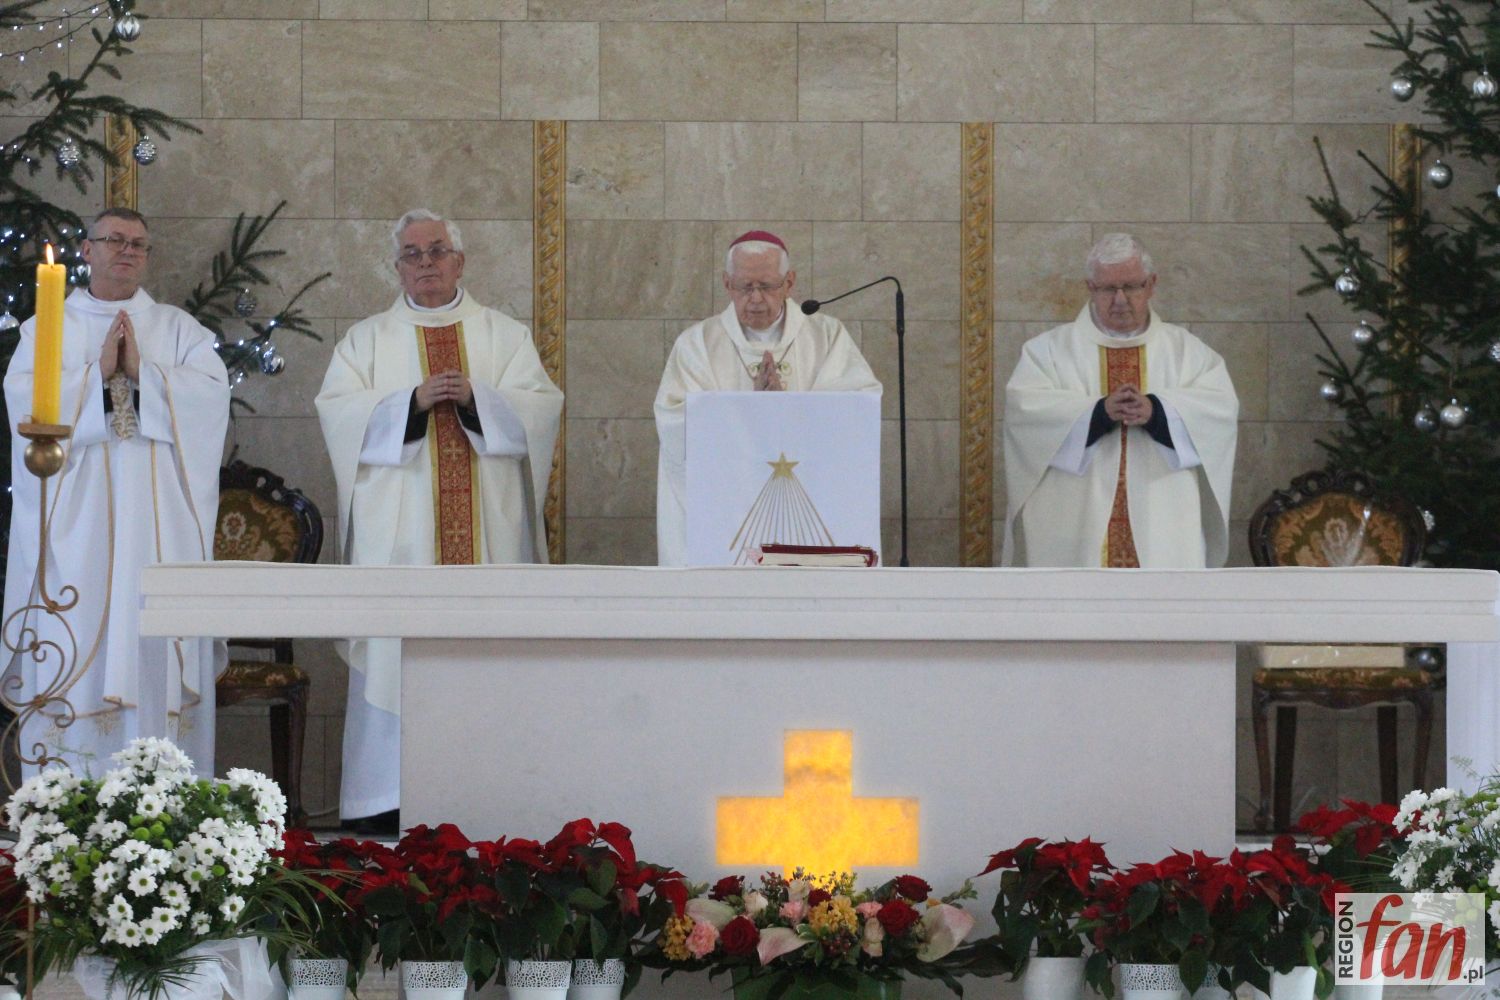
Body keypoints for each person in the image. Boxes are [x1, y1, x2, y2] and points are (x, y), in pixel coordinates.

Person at [316, 208, 562, 832]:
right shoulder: (366, 340)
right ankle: (383, 800)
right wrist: (409, 404)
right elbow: (338, 416)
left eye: (437, 251)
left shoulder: (504, 335)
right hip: (399, 542)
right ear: (397, 266)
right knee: (394, 654)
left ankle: (490, 797)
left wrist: (479, 400)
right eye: (412, 254)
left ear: (460, 260)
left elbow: (541, 411)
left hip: (487, 539)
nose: (425, 263)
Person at [2, 207, 229, 776]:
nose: (127, 251)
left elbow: (211, 400)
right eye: (114, 240)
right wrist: (96, 374)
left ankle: (168, 789)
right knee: (74, 624)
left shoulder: (178, 329)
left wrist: (145, 373)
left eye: (138, 244)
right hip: (77, 520)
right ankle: (64, 789)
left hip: (158, 521)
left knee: (153, 616)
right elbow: (23, 402)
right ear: (87, 250)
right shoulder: (46, 327)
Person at [1002, 233, 1238, 568]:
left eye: (1131, 286)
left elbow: (1219, 413)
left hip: (1163, 520)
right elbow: (1026, 416)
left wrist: (1158, 413)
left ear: (1151, 284)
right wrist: (1097, 414)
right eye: (1108, 288)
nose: (1120, 299)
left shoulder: (1188, 352)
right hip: (1075, 523)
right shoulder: (1047, 352)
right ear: (1090, 287)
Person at [654, 230, 881, 566]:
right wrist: (752, 409)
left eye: (767, 286)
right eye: (745, 287)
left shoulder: (826, 336)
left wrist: (787, 408)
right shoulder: (697, 344)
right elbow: (673, 419)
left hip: (810, 498)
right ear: (727, 284)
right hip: (727, 504)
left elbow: (859, 408)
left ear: (789, 283)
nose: (756, 298)